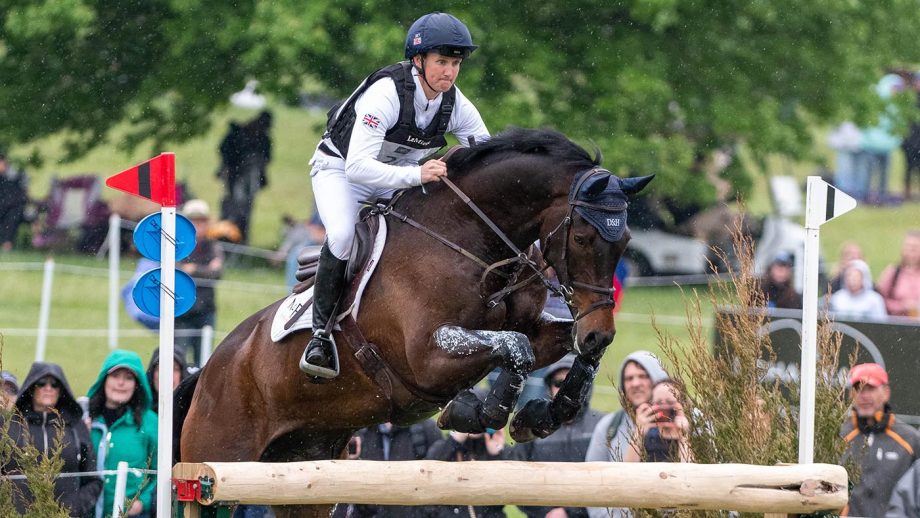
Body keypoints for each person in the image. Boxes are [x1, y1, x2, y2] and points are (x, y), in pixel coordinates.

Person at [300, 11, 490, 379]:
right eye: (441, 62)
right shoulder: (387, 93)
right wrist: (418, 174)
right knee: (341, 235)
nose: (449, 72)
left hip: (396, 178)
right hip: (340, 171)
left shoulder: (455, 104)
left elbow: (486, 151)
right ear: (418, 60)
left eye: (455, 63)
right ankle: (319, 335)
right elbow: (357, 168)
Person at [509, 355, 604, 518]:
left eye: (574, 384)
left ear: (586, 387)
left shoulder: (603, 425)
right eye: (559, 383)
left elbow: (608, 483)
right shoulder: (535, 428)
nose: (565, 391)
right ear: (549, 387)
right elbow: (515, 480)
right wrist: (546, 513)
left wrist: (570, 513)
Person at [3, 362, 102, 517]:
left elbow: (93, 480)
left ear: (61, 389)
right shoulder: (9, 425)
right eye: (41, 383)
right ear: (31, 388)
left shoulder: (76, 426)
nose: (48, 388)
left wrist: (73, 509)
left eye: (54, 384)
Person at [584, 351, 669, 518]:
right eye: (629, 378)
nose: (635, 383)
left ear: (658, 378)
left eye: (643, 376)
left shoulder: (689, 419)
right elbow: (592, 485)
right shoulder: (609, 426)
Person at [840, 363, 920, 518]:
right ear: (851, 394)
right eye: (859, 388)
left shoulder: (910, 439)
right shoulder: (839, 437)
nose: (864, 395)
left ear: (886, 392)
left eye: (870, 388)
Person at [88, 350, 158, 518]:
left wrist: (142, 502)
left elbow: (160, 470)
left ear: (137, 384)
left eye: (128, 378)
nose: (121, 383)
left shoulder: (150, 422)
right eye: (115, 376)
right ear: (104, 380)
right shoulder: (84, 418)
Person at [334, 419, 443, 517]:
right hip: (370, 513)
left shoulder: (424, 429)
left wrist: (424, 513)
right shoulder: (361, 431)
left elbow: (440, 474)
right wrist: (350, 461)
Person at [175, 199, 225, 366]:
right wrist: (205, 270)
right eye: (193, 221)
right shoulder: (176, 246)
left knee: (203, 362)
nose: (198, 225)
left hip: (205, 310)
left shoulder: (213, 245)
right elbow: (176, 272)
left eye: (201, 221)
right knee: (177, 359)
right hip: (182, 312)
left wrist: (193, 269)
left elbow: (217, 272)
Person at [424, 423, 507, 518]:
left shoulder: (492, 446)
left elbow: (505, 489)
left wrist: (496, 454)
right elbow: (431, 470)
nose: (475, 426)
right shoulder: (445, 447)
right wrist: (454, 441)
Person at [218, 110, 273, 243]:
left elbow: (266, 159)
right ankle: (227, 237)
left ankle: (240, 238)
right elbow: (225, 151)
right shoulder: (238, 134)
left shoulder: (263, 139)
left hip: (249, 179)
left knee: (244, 209)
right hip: (235, 176)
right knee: (234, 207)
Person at [623, 380, 693, 463]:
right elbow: (628, 467)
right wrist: (639, 432)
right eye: (658, 403)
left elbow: (689, 471)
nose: (664, 408)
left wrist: (683, 437)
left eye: (670, 402)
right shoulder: (647, 436)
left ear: (683, 405)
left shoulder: (696, 433)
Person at [877, 231, 920, 318]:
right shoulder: (893, 272)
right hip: (897, 325)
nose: (911, 252)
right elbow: (878, 300)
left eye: (915, 248)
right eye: (908, 247)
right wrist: (901, 306)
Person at [145, 346, 189, 414]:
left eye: (174, 369)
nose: (167, 375)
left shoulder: (191, 413)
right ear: (151, 374)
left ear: (182, 375)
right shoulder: (139, 412)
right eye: (160, 368)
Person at [0, 149, 28, 252]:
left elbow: (21, 194)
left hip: (13, 207)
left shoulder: (14, 175)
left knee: (11, 218)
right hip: (4, 206)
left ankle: (7, 244)